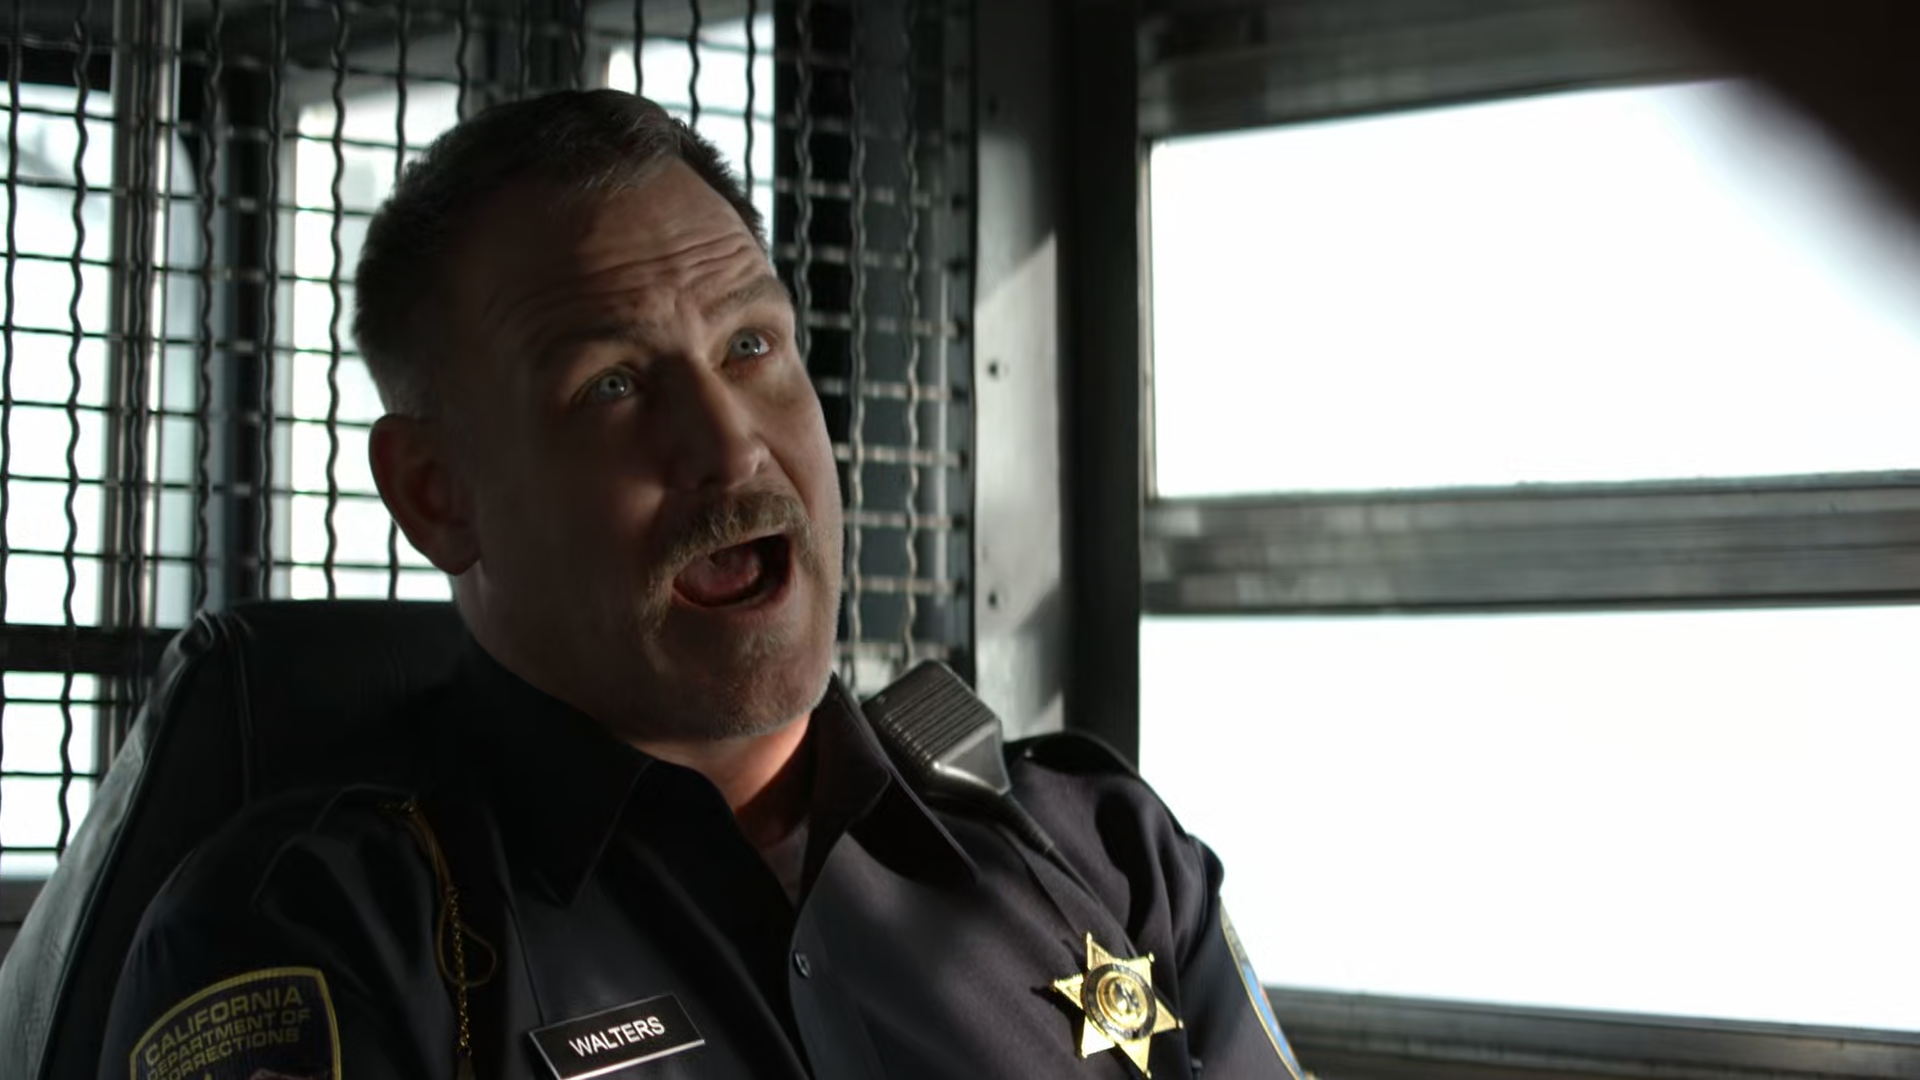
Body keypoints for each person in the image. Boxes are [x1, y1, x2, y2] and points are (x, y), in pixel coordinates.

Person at [97, 90, 1304, 1080]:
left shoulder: (1096, 853)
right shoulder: (323, 936)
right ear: (436, 494)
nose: (729, 448)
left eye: (750, 347)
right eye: (613, 387)